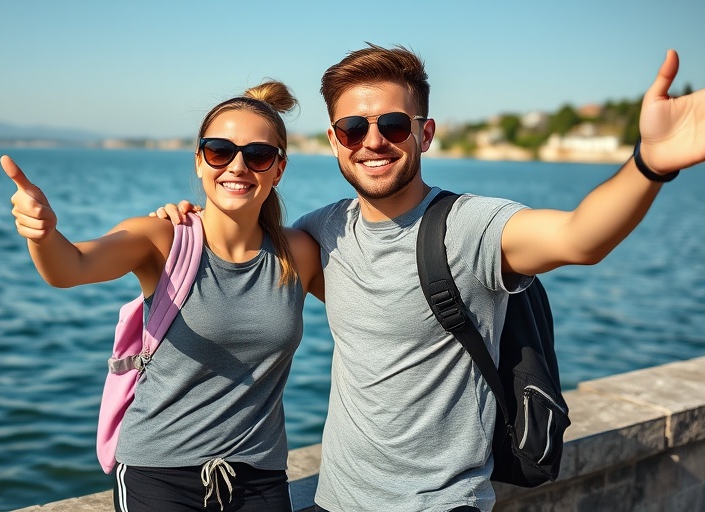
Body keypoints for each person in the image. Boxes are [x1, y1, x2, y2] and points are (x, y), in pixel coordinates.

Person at [156, 44, 705, 511]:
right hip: (335, 500)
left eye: (393, 124)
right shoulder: (322, 232)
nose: (372, 141)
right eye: (353, 127)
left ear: (426, 132)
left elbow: (581, 238)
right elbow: (240, 260)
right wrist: (182, 222)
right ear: (333, 139)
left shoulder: (470, 227)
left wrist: (651, 163)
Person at [1, 80, 324, 512]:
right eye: (219, 151)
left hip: (259, 474)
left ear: (278, 169)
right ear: (199, 162)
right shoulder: (161, 238)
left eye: (258, 155)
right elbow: (71, 267)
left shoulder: (297, 253)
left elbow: (371, 306)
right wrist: (42, 234)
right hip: (159, 474)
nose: (237, 166)